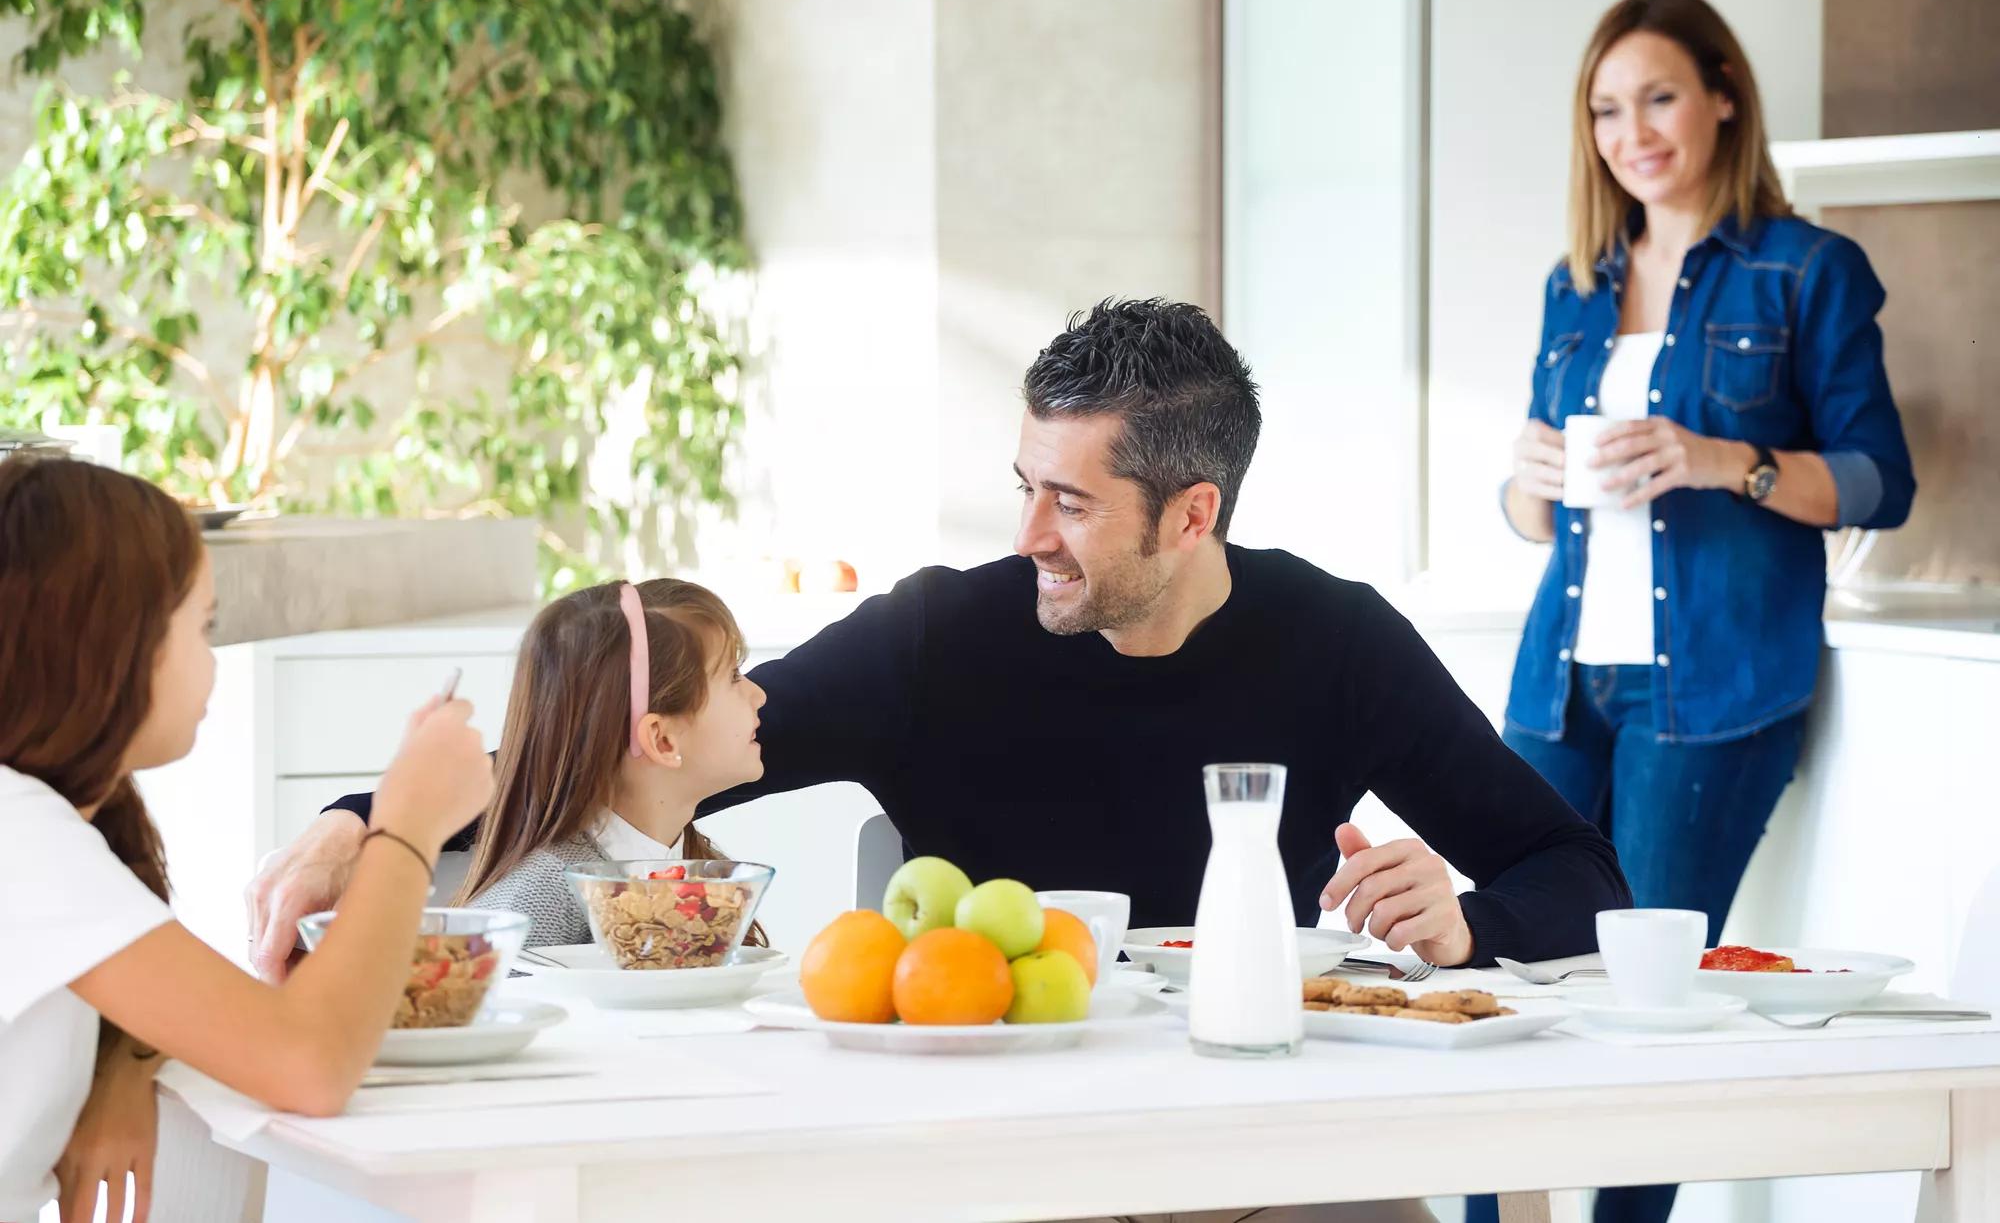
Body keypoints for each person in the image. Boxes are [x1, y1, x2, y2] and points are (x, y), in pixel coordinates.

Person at [260, 298, 1630, 986]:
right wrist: (361, 819)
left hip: (1259, 1118)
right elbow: (637, 749)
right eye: (1024, 480)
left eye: (1073, 500)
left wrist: (1469, 927)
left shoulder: (1337, 643)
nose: (1026, 526)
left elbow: (1580, 871)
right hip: (993, 1135)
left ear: (1191, 512)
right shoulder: (943, 634)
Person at [1490, 0, 1914, 1223]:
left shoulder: (1808, 272)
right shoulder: (1574, 283)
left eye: (1658, 95)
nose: (1633, 131)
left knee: (1647, 998)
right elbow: (1538, 519)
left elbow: (1879, 479)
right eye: (1606, 108)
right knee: (1500, 974)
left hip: (1712, 691)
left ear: (1723, 92)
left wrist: (1722, 458)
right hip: (1557, 682)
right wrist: (1519, 486)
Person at [0, 454, 494, 1223]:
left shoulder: (40, 826)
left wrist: (123, 1061)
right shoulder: (19, 832)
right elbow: (310, 1062)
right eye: (204, 626)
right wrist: (408, 825)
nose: (213, 660)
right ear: (109, 644)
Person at [454, 577, 769, 950]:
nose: (759, 694)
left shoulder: (696, 867)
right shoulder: (540, 899)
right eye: (733, 676)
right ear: (662, 740)